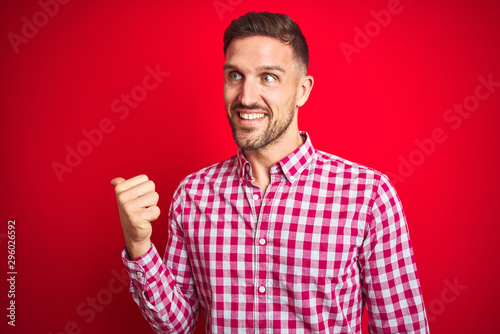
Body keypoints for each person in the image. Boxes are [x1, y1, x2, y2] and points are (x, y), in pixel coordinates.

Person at [111, 12, 429, 333]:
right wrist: (139, 245)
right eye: (235, 75)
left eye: (268, 77)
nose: (246, 97)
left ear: (302, 91)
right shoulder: (192, 195)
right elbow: (176, 324)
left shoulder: (369, 195)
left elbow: (401, 326)